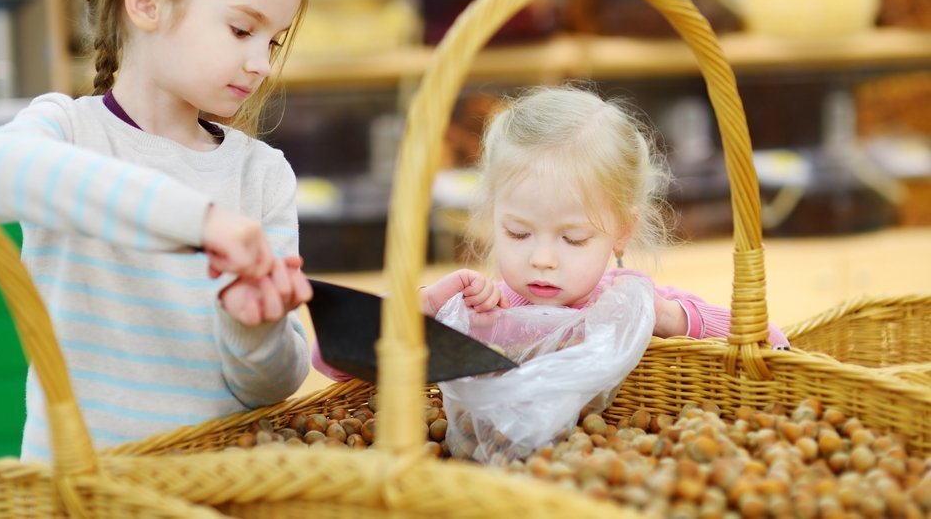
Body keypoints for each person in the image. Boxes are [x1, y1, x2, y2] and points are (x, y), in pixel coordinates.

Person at [0, 0, 314, 460]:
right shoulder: (69, 132)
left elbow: (273, 385)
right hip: (79, 490)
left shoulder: (263, 175)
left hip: (211, 491)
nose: (259, 63)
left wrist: (255, 329)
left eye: (273, 43)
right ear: (147, 3)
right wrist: (197, 222)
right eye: (241, 29)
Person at [313, 85, 789, 381]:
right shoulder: (483, 313)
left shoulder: (632, 303)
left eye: (573, 239)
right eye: (518, 233)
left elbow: (773, 343)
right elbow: (332, 364)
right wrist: (421, 310)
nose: (542, 258)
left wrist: (672, 318)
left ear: (621, 231)